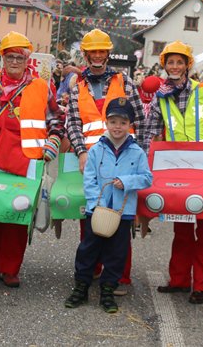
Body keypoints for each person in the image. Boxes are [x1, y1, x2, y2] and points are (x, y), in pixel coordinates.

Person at [0, 31, 65, 288]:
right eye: (9, 57)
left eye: (19, 57)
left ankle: (10, 268)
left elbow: (56, 120)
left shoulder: (41, 86)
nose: (14, 61)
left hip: (24, 160)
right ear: (2, 58)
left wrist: (53, 141)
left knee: (17, 212)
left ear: (27, 59)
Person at [140, 41, 203, 305]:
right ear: (165, 65)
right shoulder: (160, 96)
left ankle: (202, 285)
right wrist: (141, 164)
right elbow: (149, 132)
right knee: (182, 229)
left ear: (188, 65)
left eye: (179, 62)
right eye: (170, 62)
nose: (175, 67)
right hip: (176, 169)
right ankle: (179, 280)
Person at [65, 28, 144, 294]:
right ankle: (91, 271)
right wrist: (81, 151)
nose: (97, 56)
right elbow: (73, 123)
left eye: (102, 51)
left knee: (121, 217)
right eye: (92, 52)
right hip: (92, 161)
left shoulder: (125, 82)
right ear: (85, 55)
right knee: (91, 215)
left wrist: (138, 155)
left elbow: (140, 121)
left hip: (123, 159)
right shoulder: (78, 85)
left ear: (108, 53)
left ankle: (119, 277)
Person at [64, 97, 152, 313]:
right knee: (88, 249)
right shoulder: (96, 149)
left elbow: (147, 178)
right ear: (106, 123)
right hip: (98, 210)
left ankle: (108, 291)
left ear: (129, 124)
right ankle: (81, 287)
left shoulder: (137, 152)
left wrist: (127, 182)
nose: (117, 127)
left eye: (123, 122)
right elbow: (90, 178)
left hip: (123, 212)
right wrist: (97, 204)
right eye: (113, 122)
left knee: (116, 252)